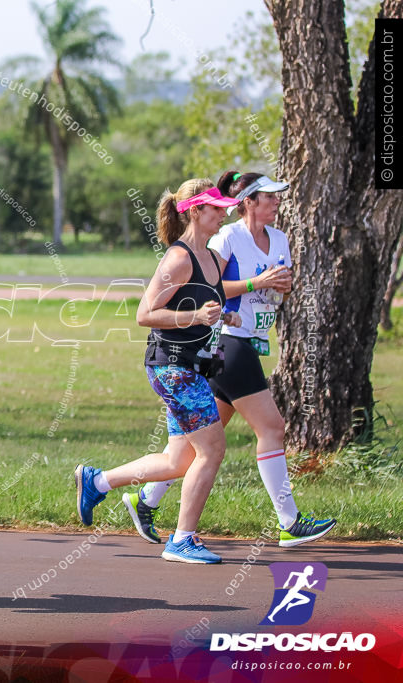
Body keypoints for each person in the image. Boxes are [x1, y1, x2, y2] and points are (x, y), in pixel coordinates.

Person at [124, 172, 336, 548]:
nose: (276, 202)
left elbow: (273, 293)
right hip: (229, 343)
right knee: (271, 427)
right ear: (248, 202)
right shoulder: (227, 238)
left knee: (193, 446)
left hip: (250, 338)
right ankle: (288, 521)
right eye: (268, 197)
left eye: (277, 197)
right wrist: (258, 284)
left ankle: (144, 499)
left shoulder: (281, 239)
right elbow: (214, 288)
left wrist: (279, 290)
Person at [74, 179, 241, 564]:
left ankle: (97, 482)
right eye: (216, 208)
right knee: (212, 449)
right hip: (172, 368)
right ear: (196, 211)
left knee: (177, 461)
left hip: (193, 365)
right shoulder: (178, 259)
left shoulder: (213, 259)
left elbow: (205, 303)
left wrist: (220, 315)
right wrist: (195, 316)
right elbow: (145, 314)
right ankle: (182, 540)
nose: (223, 213)